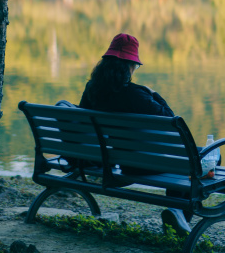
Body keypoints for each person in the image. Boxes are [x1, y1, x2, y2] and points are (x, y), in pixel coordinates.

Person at [78, 33, 190, 235]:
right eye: (135, 66)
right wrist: (153, 93)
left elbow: (83, 124)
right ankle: (176, 214)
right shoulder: (136, 94)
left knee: (181, 160)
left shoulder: (92, 90)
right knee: (186, 162)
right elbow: (170, 120)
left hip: (119, 162)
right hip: (144, 165)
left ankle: (177, 215)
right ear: (128, 66)